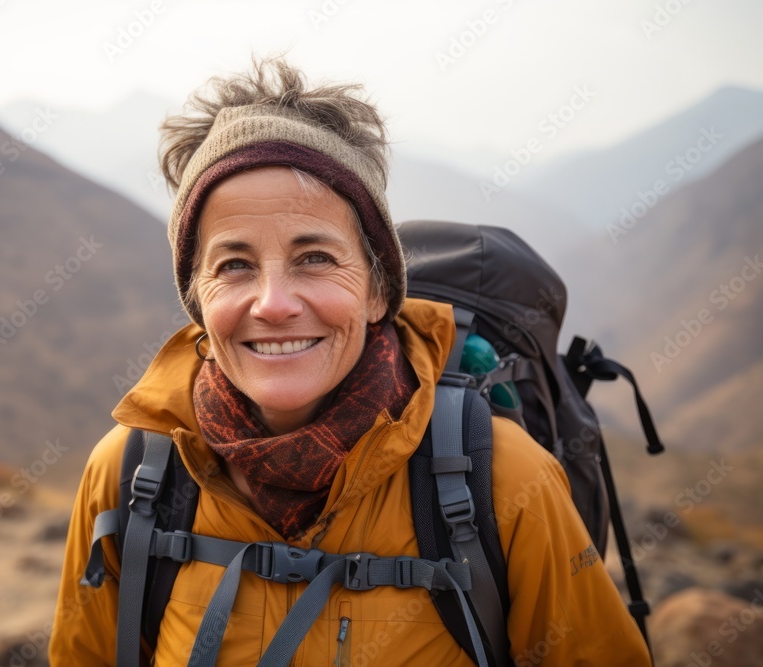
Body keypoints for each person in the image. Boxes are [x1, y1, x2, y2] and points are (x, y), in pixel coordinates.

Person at [49, 56, 651, 666]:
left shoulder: (504, 480)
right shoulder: (129, 475)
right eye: (233, 265)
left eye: (314, 257)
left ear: (378, 290)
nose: (274, 304)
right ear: (198, 300)